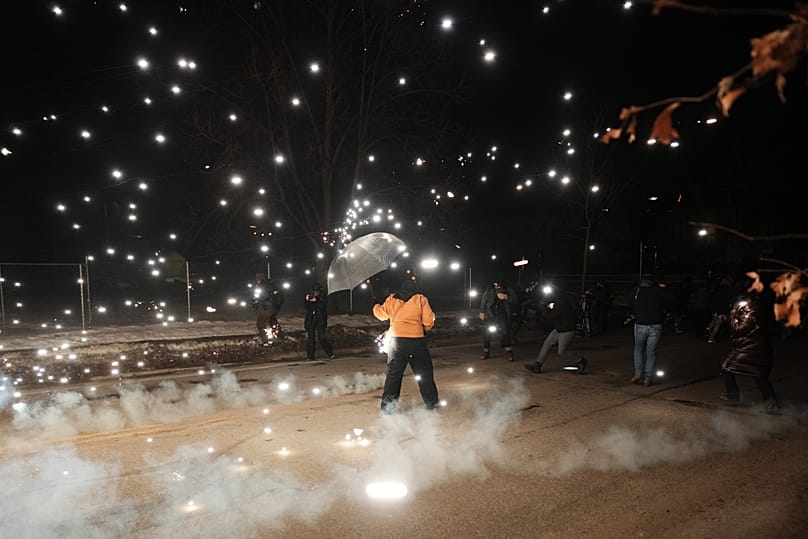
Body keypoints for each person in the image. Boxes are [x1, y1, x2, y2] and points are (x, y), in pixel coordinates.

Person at [373, 270, 439, 413]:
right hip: (417, 341)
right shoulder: (421, 299)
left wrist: (376, 306)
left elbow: (380, 315)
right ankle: (431, 401)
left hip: (396, 342)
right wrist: (425, 326)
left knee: (394, 375)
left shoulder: (392, 299)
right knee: (424, 372)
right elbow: (428, 321)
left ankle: (388, 407)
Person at [720, 272, 781, 414]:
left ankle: (769, 402)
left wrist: (732, 317)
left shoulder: (749, 310)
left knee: (750, 373)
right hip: (752, 347)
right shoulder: (755, 307)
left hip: (751, 349)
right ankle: (768, 401)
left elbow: (738, 329)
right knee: (755, 375)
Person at [523, 288, 587, 374]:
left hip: (567, 330)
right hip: (559, 328)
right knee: (547, 343)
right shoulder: (560, 301)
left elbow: (549, 316)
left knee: (562, 351)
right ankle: (538, 364)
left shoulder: (561, 304)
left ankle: (581, 361)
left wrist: (544, 308)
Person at [630, 275, 674, 386]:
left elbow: (630, 302)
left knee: (638, 349)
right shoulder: (659, 291)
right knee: (651, 352)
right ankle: (648, 378)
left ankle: (637, 373)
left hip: (640, 324)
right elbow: (672, 300)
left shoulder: (637, 290)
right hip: (655, 325)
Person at [479, 280, 518, 360]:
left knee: (506, 332)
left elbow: (515, 299)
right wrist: (482, 311)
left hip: (503, 313)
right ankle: (486, 351)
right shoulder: (490, 288)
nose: (497, 286)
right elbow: (484, 299)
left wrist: (505, 297)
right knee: (487, 332)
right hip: (491, 313)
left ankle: (509, 351)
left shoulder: (507, 288)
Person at [303, 283, 334, 361]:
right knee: (311, 338)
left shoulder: (323, 296)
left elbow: (322, 305)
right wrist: (308, 300)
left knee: (321, 337)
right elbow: (306, 307)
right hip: (311, 318)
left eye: (316, 292)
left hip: (320, 318)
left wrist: (316, 300)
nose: (315, 293)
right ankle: (310, 356)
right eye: (314, 291)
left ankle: (330, 352)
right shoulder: (310, 295)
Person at [252, 273, 284, 346]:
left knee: (260, 324)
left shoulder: (262, 286)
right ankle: (278, 336)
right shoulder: (272, 285)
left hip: (267, 308)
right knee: (271, 321)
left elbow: (263, 297)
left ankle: (266, 341)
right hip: (276, 307)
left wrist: (256, 301)